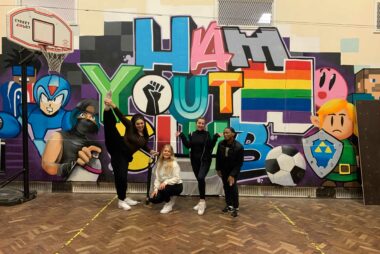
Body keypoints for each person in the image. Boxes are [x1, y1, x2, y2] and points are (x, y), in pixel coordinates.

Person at [104, 94, 158, 211]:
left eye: (141, 123)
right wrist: (113, 106)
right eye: (138, 123)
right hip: (118, 149)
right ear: (134, 124)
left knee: (122, 177)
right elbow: (121, 116)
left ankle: (123, 198)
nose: (140, 125)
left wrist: (150, 151)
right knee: (111, 130)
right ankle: (121, 201)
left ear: (144, 124)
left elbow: (142, 145)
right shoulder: (130, 127)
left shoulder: (144, 136)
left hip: (125, 156)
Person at [41, 99, 102, 179]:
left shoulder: (90, 143)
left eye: (93, 117)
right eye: (85, 114)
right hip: (65, 186)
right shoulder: (58, 136)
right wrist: (71, 166)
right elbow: (46, 165)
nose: (88, 118)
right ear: (77, 114)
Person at [176, 117, 220, 215]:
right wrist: (181, 135)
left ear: (204, 125)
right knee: (200, 180)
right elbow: (188, 145)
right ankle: (201, 202)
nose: (201, 125)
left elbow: (210, 146)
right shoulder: (192, 134)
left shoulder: (207, 134)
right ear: (196, 124)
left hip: (205, 161)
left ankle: (202, 201)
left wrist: (216, 137)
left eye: (202, 123)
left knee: (200, 177)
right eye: (199, 123)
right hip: (195, 161)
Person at [216, 127, 244, 217]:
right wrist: (218, 169)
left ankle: (236, 207)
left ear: (233, 134)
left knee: (232, 188)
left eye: (227, 133)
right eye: (224, 133)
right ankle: (229, 205)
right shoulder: (221, 144)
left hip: (233, 171)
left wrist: (232, 175)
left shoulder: (239, 147)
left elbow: (239, 163)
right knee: (226, 187)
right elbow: (218, 157)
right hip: (224, 170)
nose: (225, 134)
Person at [149, 144, 183, 214]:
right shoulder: (159, 163)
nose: (166, 152)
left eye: (169, 151)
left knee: (164, 189)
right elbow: (157, 178)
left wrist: (165, 182)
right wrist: (155, 189)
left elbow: (176, 178)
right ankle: (169, 197)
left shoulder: (174, 163)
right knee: (153, 199)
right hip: (164, 186)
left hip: (177, 186)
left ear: (171, 153)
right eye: (165, 151)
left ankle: (169, 203)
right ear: (162, 152)